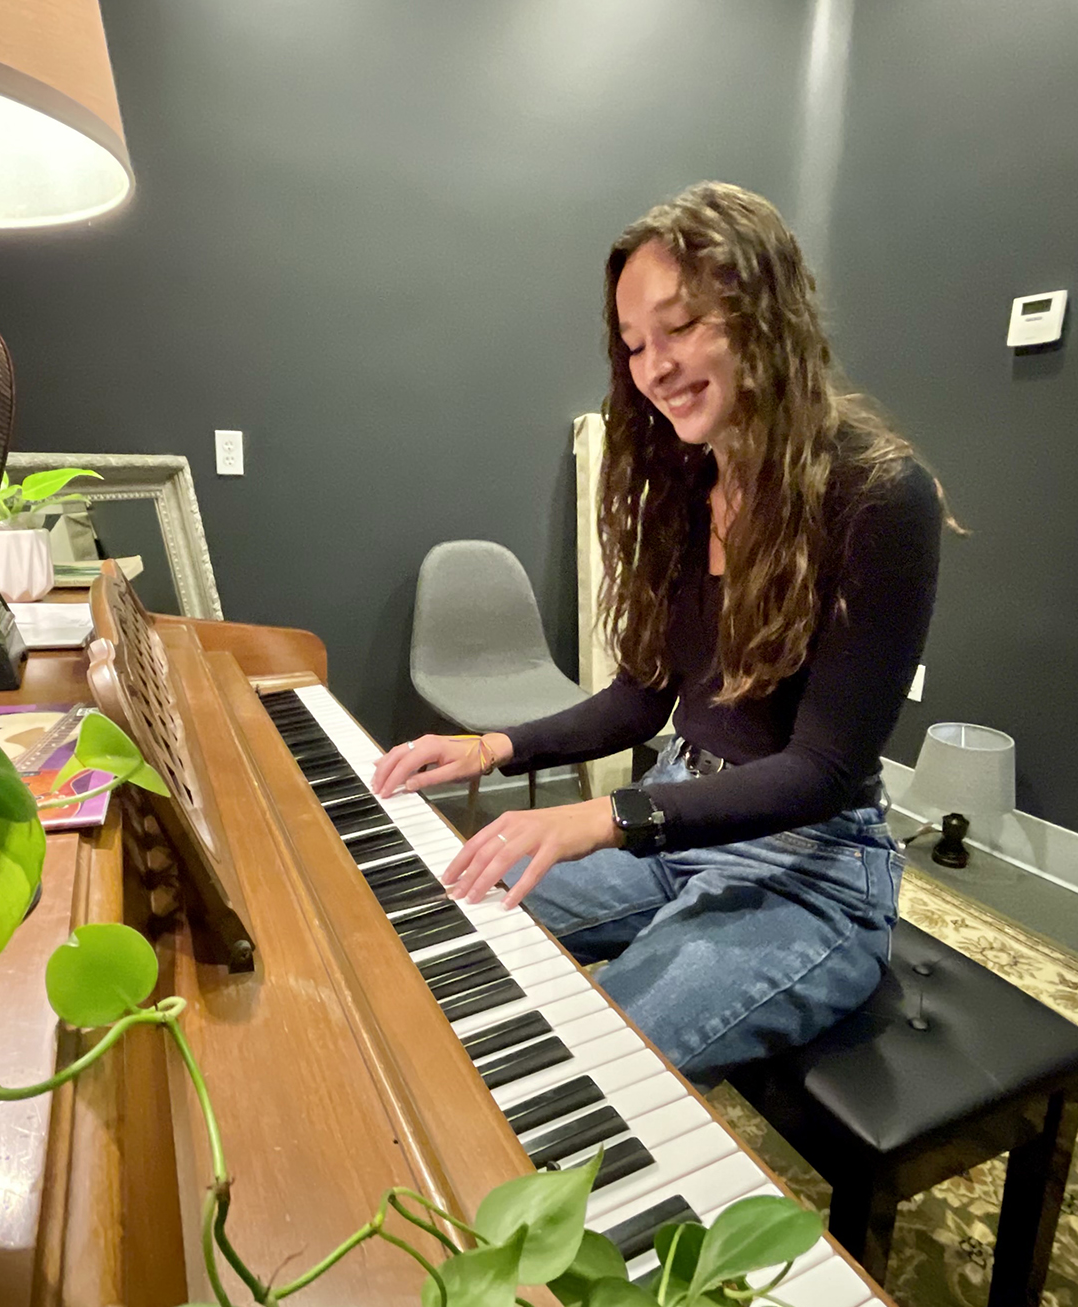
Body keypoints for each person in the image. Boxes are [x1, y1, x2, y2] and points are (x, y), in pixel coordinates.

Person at [370, 181, 948, 1087]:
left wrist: (607, 818)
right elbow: (642, 699)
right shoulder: (686, 485)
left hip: (813, 867)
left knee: (570, 1068)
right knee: (438, 927)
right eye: (635, 345)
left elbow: (823, 769)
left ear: (765, 314)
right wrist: (489, 747)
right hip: (682, 809)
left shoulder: (879, 494)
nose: (655, 367)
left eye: (679, 327)